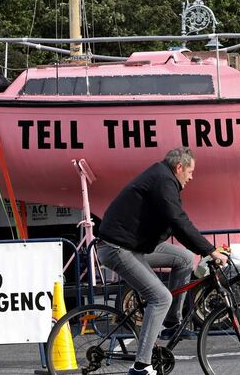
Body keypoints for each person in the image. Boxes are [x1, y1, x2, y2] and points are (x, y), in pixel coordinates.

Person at [97, 147, 228, 375]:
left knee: (185, 258)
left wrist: (203, 249)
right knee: (160, 297)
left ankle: (170, 323)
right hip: (117, 247)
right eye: (190, 171)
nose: (191, 176)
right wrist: (210, 251)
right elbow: (177, 221)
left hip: (134, 244)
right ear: (179, 167)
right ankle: (141, 366)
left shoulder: (163, 178)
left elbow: (175, 220)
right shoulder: (163, 181)